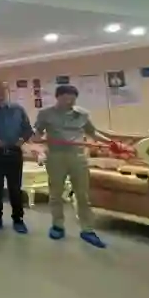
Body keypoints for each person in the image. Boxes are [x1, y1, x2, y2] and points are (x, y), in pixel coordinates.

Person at [33, 85, 110, 248]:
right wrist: (36, 138)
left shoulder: (82, 114)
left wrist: (111, 143)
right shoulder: (45, 114)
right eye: (66, 98)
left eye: (72, 99)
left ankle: (87, 230)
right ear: (57, 97)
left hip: (78, 157)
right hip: (56, 157)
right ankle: (57, 225)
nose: (69, 102)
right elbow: (37, 133)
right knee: (56, 193)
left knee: (83, 195)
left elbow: (92, 133)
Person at [0, 81, 33, 234]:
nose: (0, 94)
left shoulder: (18, 110)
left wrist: (21, 140)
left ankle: (18, 219)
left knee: (15, 188)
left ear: (8, 91)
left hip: (14, 154)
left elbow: (28, 130)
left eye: (3, 91)